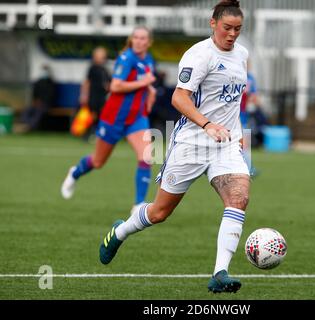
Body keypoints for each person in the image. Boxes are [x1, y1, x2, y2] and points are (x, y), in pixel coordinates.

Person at [99, 0, 249, 294]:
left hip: (226, 144)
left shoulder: (242, 55)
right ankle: (120, 231)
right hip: (192, 142)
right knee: (159, 213)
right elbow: (179, 99)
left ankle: (220, 272)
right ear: (213, 23)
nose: (232, 34)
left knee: (239, 197)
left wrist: (238, 133)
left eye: (238, 29)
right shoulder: (199, 55)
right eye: (227, 28)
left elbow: (233, 101)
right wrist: (207, 125)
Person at [61, 26, 157, 207]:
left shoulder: (148, 60)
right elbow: (115, 86)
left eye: (143, 38)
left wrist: (150, 90)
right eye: (135, 37)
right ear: (131, 39)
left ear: (149, 42)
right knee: (98, 162)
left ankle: (138, 206)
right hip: (114, 117)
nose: (138, 41)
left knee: (146, 157)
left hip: (136, 117)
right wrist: (143, 82)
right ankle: (74, 173)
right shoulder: (126, 58)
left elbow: (146, 81)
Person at [79, 46, 112, 136]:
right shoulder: (92, 68)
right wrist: (83, 95)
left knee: (102, 115)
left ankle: (99, 133)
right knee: (92, 115)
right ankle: (87, 133)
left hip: (103, 96)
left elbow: (108, 83)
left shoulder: (105, 69)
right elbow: (87, 82)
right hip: (93, 95)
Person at [20, 65, 56, 131]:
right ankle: (24, 123)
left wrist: (43, 102)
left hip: (46, 104)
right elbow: (34, 94)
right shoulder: (38, 82)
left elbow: (51, 96)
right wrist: (35, 101)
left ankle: (31, 126)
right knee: (28, 109)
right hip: (36, 103)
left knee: (39, 112)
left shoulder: (51, 84)